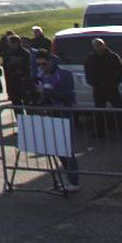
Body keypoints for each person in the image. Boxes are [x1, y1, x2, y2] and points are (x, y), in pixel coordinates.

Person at [37, 50, 80, 190]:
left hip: (64, 113)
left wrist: (45, 92)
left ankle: (74, 181)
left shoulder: (63, 74)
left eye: (44, 63)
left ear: (50, 61)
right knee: (59, 149)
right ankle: (68, 178)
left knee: (67, 149)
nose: (41, 66)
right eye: (39, 64)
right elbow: (46, 97)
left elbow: (67, 95)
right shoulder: (43, 75)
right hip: (52, 113)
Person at [83, 37, 122, 136]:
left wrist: (116, 82)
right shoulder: (90, 58)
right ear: (93, 47)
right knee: (99, 111)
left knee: (120, 109)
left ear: (104, 45)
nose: (98, 47)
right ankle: (100, 132)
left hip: (112, 88)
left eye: (99, 45)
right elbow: (87, 71)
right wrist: (91, 82)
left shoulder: (113, 57)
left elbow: (121, 71)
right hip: (98, 89)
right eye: (95, 45)